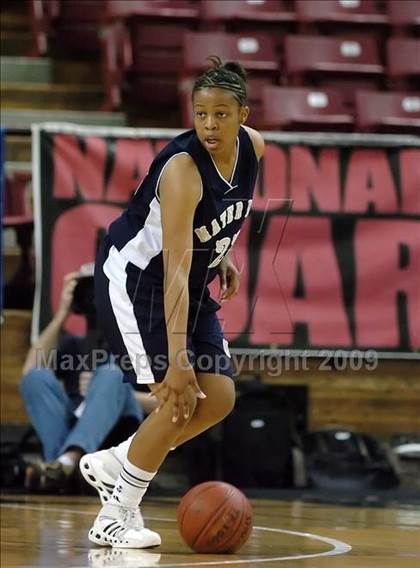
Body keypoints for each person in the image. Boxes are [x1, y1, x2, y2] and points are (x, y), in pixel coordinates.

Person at [81, 56, 265, 548]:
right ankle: (115, 514)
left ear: (243, 114)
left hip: (187, 273)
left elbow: (225, 215)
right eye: (200, 113)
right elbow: (176, 270)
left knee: (220, 397)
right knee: (178, 395)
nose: (209, 124)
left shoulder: (254, 149)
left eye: (221, 114)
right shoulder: (183, 169)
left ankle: (120, 459)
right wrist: (178, 359)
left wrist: (222, 254)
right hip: (138, 281)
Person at [20, 267, 153, 492]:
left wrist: (114, 393)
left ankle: (66, 462)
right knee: (36, 377)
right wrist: (62, 314)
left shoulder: (140, 343)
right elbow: (29, 372)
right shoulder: (75, 344)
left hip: (118, 430)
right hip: (74, 423)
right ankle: (63, 467)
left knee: (112, 375)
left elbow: (168, 402)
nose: (96, 298)